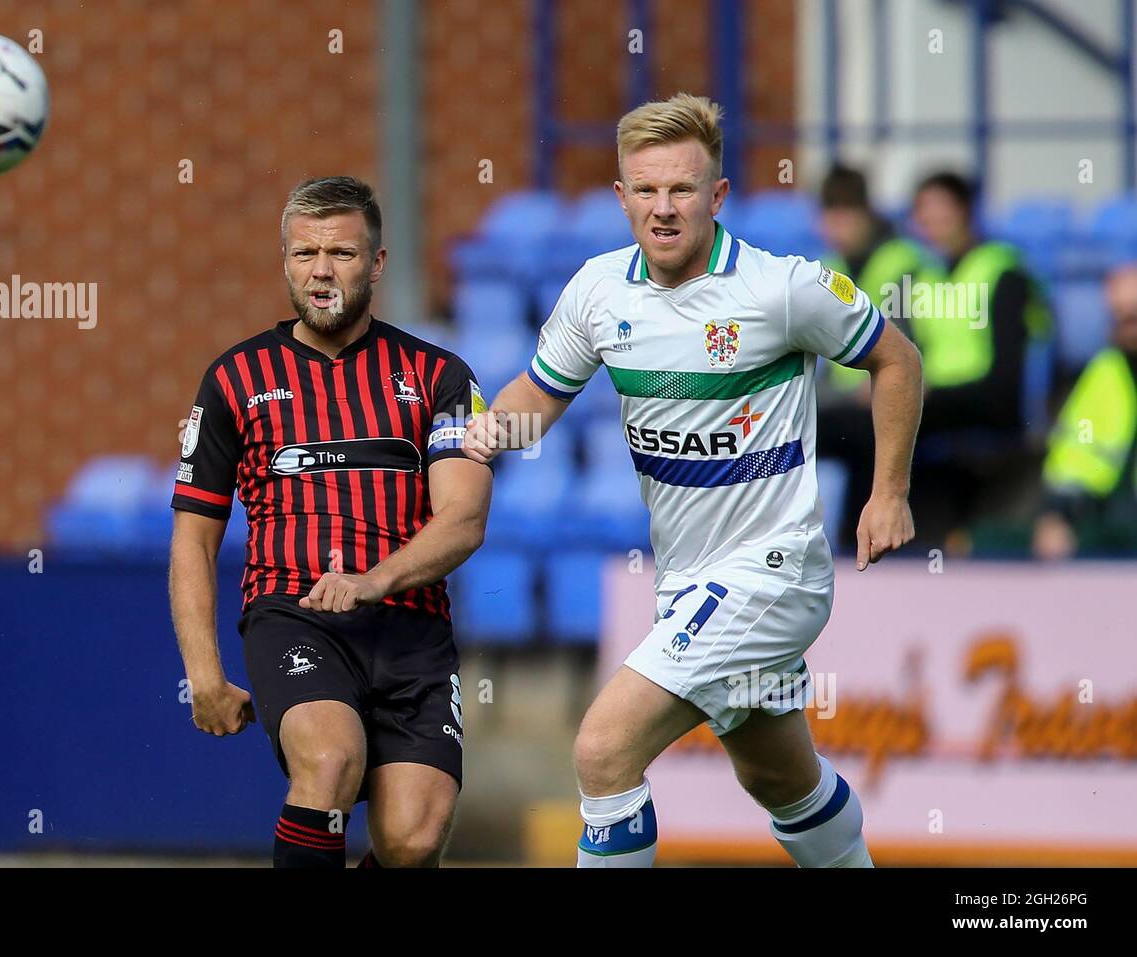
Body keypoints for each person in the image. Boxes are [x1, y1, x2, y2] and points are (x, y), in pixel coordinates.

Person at [465, 93, 923, 867]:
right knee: (780, 777)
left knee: (605, 747)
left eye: (682, 190)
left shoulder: (780, 288)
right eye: (645, 190)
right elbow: (536, 400)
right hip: (688, 580)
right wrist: (476, 436)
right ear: (621, 197)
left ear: (717, 196)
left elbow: (897, 357)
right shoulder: (598, 291)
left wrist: (890, 492)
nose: (664, 207)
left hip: (773, 575)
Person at [168, 176, 492, 868]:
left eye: (341, 253)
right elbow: (194, 537)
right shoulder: (233, 379)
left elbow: (463, 519)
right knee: (330, 759)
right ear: (285, 261)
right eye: (303, 253)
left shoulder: (442, 376)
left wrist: (373, 581)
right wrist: (204, 672)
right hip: (295, 614)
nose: (320, 270)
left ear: (376, 264)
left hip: (412, 628)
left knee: (413, 839)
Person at [908, 171, 1054, 543]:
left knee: (887, 420)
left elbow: (1007, 377)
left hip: (990, 401)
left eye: (942, 209)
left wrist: (928, 394)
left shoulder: (1004, 271)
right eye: (924, 212)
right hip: (939, 403)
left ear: (965, 211)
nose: (933, 221)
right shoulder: (924, 278)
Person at [817, 163, 934, 548]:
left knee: (862, 435)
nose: (838, 227)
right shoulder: (829, 270)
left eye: (846, 215)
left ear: (866, 214)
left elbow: (911, 350)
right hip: (845, 401)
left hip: (891, 398)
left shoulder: (904, 264)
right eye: (831, 216)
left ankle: (863, 544)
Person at [1034, 263, 1137, 558]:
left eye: (1134, 315)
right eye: (1118, 316)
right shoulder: (1105, 371)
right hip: (1106, 522)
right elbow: (1072, 461)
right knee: (980, 540)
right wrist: (1056, 515)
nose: (1125, 325)